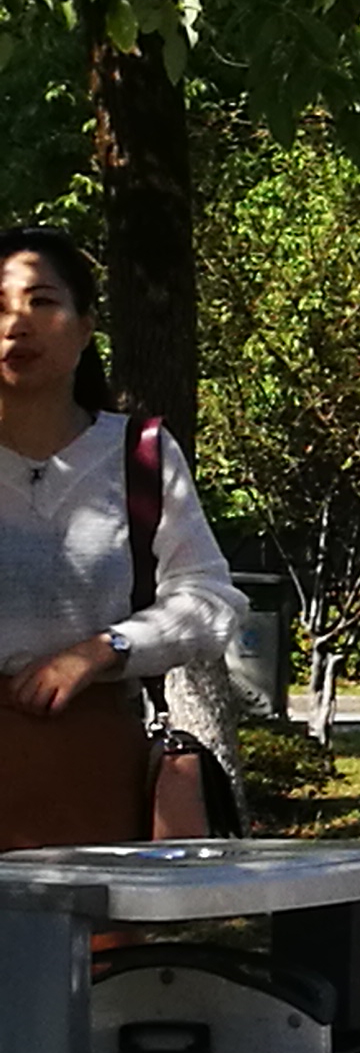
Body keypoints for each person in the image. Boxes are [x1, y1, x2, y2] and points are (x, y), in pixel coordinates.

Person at [0, 228, 240, 852]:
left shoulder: (140, 455)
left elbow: (209, 597)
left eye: (42, 301)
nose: (17, 324)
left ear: (85, 327)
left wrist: (104, 650)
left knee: (100, 923)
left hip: (98, 778)